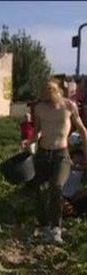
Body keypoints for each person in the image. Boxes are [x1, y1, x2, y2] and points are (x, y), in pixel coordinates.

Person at [22, 78, 87, 244]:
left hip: (61, 155)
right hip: (43, 153)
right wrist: (29, 141)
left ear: (56, 93)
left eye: (48, 95)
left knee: (56, 187)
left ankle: (56, 229)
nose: (46, 98)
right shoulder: (40, 108)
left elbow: (82, 130)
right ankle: (44, 226)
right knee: (39, 187)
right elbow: (37, 131)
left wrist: (86, 152)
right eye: (44, 95)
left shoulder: (69, 106)